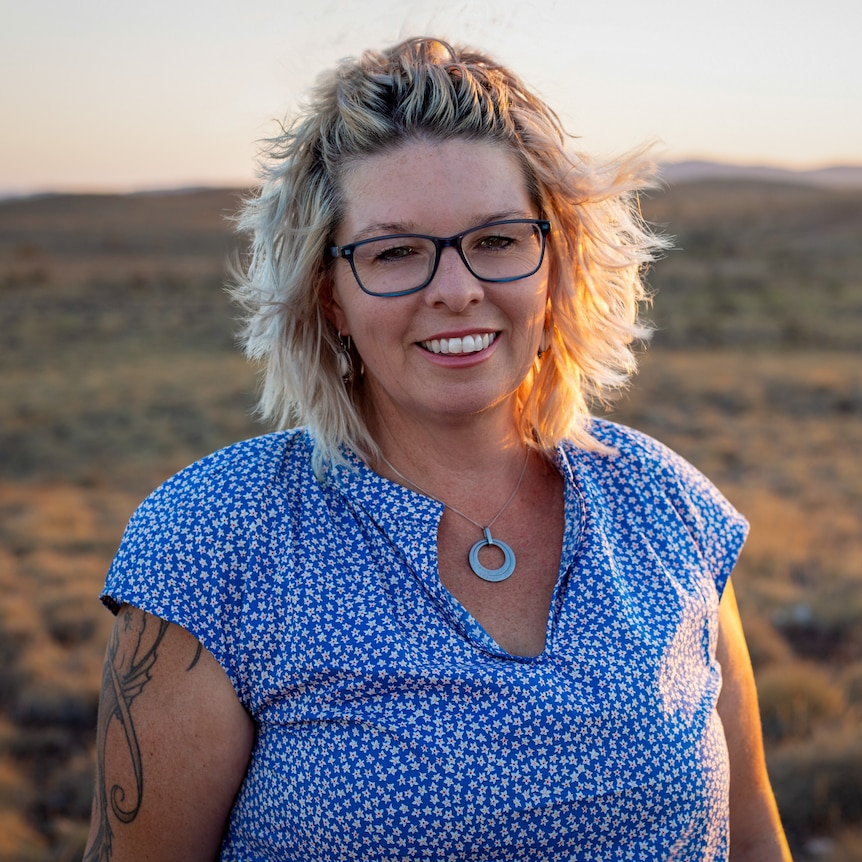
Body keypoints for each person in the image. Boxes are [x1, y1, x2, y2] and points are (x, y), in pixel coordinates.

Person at [83, 36, 791, 861]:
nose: (456, 290)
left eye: (496, 240)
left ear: (555, 263)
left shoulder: (669, 511)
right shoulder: (214, 541)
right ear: (331, 296)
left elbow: (755, 841)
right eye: (395, 253)